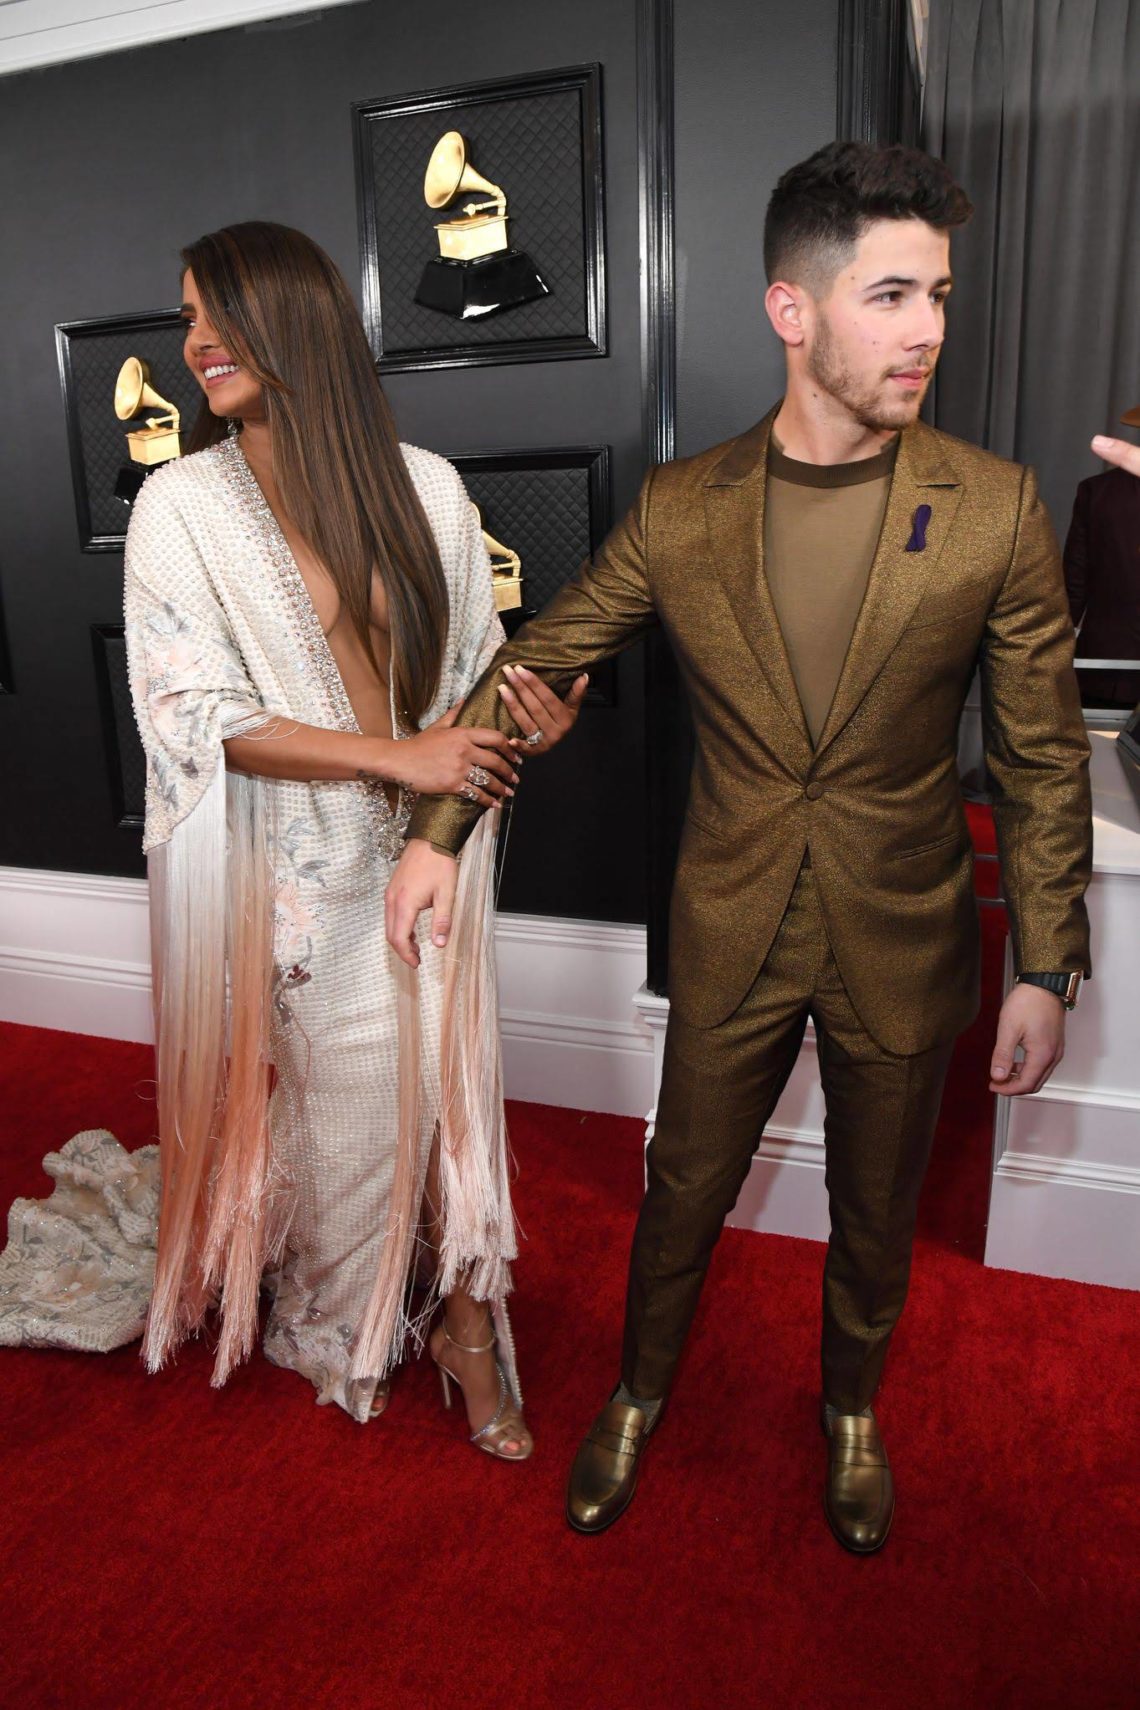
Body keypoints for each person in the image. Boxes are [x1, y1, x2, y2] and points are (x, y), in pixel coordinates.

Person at [386, 143, 1093, 1549]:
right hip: (734, 917)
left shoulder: (997, 507)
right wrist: (436, 827)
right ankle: (640, 1395)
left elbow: (1040, 754)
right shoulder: (682, 506)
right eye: (891, 295)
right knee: (684, 1190)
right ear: (793, 310)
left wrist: (1048, 966)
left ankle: (850, 1413)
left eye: (939, 295)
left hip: (906, 924)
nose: (929, 330)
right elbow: (544, 659)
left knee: (877, 1215)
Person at [16, 221, 586, 1451]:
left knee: (451, 1087)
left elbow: (481, 681)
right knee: (360, 1097)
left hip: (440, 839)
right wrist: (401, 754)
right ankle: (352, 1318)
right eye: (187, 319)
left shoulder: (426, 484)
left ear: (301, 324)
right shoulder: (180, 503)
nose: (196, 345)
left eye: (221, 315)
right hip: (298, 867)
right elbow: (191, 712)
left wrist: (532, 713)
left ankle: (468, 1317)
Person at [1063, 411, 1140, 709]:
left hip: (1104, 665)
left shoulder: (1097, 491)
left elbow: (1074, 582)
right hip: (1105, 665)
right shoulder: (1095, 491)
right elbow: (1074, 579)